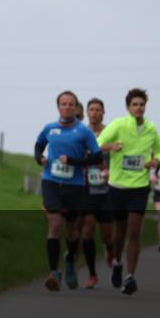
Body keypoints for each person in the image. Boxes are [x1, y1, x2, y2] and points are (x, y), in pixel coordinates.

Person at [96, 87, 160, 295]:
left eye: (141, 104)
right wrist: (111, 147)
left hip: (140, 187)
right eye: (134, 104)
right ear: (128, 107)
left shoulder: (151, 128)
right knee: (120, 231)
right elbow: (96, 144)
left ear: (145, 107)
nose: (138, 108)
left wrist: (155, 160)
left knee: (134, 232)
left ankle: (130, 276)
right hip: (117, 186)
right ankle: (117, 262)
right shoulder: (118, 124)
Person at [34, 90, 102, 291]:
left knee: (72, 231)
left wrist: (74, 161)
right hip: (51, 181)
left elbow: (97, 158)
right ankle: (54, 272)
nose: (67, 107)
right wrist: (40, 159)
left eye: (71, 104)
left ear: (76, 107)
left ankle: (70, 259)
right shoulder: (49, 128)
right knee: (54, 225)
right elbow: (38, 147)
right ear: (58, 107)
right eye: (63, 104)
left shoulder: (84, 131)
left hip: (75, 185)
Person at [80, 97, 111, 287]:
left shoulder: (111, 132)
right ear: (87, 113)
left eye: (98, 109)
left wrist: (111, 172)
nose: (94, 113)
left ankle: (110, 249)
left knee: (107, 235)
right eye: (91, 109)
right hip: (87, 187)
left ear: (103, 113)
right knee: (88, 230)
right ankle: (92, 274)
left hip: (107, 189)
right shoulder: (81, 132)